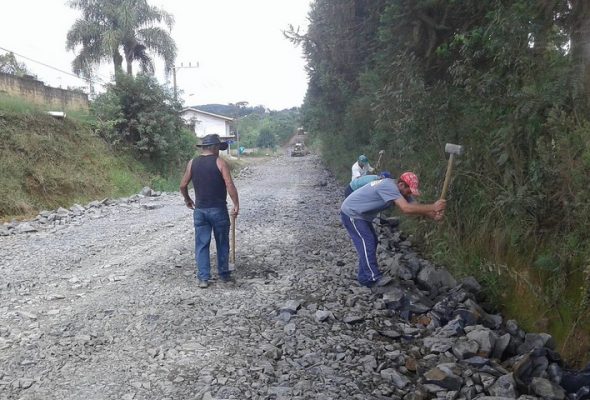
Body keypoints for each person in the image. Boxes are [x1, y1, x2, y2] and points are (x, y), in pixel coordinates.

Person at [340, 172, 445, 287]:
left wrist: (433, 215)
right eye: (409, 191)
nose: (409, 194)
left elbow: (415, 207)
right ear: (401, 185)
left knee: (372, 241)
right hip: (352, 212)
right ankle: (373, 278)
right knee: (367, 241)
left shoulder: (401, 192)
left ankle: (364, 277)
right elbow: (406, 208)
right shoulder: (388, 186)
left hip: (362, 216)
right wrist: (433, 207)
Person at [180, 134, 240, 288]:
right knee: (222, 242)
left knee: (201, 244)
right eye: (218, 148)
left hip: (200, 210)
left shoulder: (192, 163)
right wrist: (236, 204)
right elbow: (229, 184)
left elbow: (183, 185)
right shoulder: (220, 162)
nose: (219, 151)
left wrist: (187, 199)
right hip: (218, 210)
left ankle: (203, 278)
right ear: (214, 148)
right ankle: (224, 274)